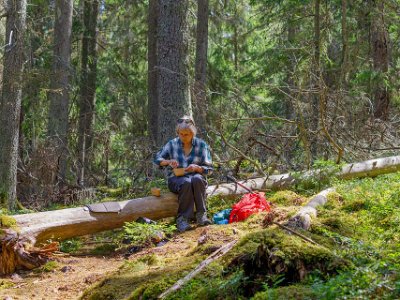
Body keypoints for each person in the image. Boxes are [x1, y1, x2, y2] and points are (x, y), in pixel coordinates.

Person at [154, 115, 213, 232]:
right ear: (178, 132)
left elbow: (210, 169)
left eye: (186, 134)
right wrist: (168, 161)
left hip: (196, 178)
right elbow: (157, 160)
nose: (183, 137)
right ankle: (182, 219)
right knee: (186, 182)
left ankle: (201, 215)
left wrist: (197, 168)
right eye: (181, 134)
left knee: (196, 179)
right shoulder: (172, 144)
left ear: (193, 134)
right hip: (176, 179)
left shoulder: (201, 145)